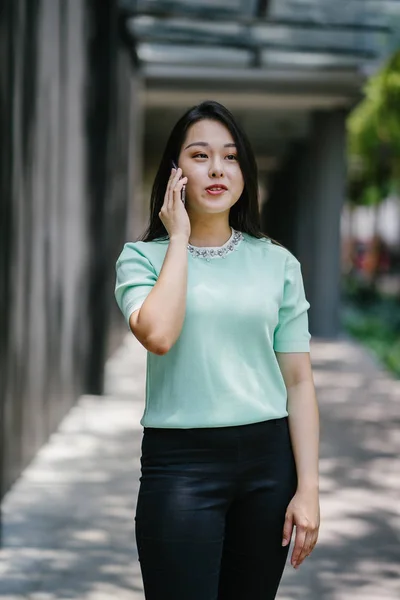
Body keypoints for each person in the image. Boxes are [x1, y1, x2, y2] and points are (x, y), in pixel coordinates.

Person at [114, 100, 320, 600]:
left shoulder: (277, 263)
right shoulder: (142, 259)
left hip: (267, 467)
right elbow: (158, 335)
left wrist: (309, 488)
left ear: (244, 172)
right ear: (175, 173)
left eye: (230, 157)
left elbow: (298, 381)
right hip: (180, 465)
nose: (216, 169)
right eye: (200, 155)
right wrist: (180, 238)